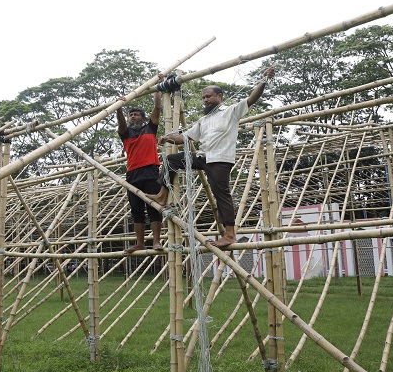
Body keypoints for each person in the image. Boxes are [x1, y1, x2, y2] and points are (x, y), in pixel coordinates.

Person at [147, 67, 275, 248]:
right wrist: (168, 137)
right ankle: (162, 195)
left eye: (209, 96)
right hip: (202, 157)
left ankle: (230, 234)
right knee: (171, 160)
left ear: (219, 96)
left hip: (220, 160)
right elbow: (186, 138)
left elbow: (252, 99)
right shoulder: (204, 120)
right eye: (204, 97)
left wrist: (263, 80)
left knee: (221, 194)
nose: (206, 100)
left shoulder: (231, 112)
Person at [117, 90, 164, 253]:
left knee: (154, 207)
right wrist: (118, 107)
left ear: (143, 118)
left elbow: (157, 107)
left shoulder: (150, 128)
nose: (133, 117)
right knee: (136, 210)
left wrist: (158, 89)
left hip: (150, 171)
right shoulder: (126, 133)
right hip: (133, 174)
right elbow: (121, 123)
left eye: (136, 114)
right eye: (131, 115)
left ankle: (156, 241)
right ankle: (140, 243)